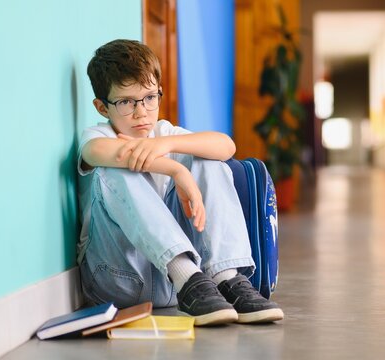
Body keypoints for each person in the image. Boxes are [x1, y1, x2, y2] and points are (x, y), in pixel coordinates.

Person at [77, 39, 284, 326]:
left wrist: (167, 145)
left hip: (179, 289)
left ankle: (226, 278)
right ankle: (184, 273)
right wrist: (177, 170)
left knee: (206, 158)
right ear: (102, 107)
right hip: (118, 280)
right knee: (115, 167)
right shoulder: (98, 135)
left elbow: (226, 146)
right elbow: (95, 153)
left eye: (150, 98)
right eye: (126, 102)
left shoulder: (161, 131)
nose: (141, 112)